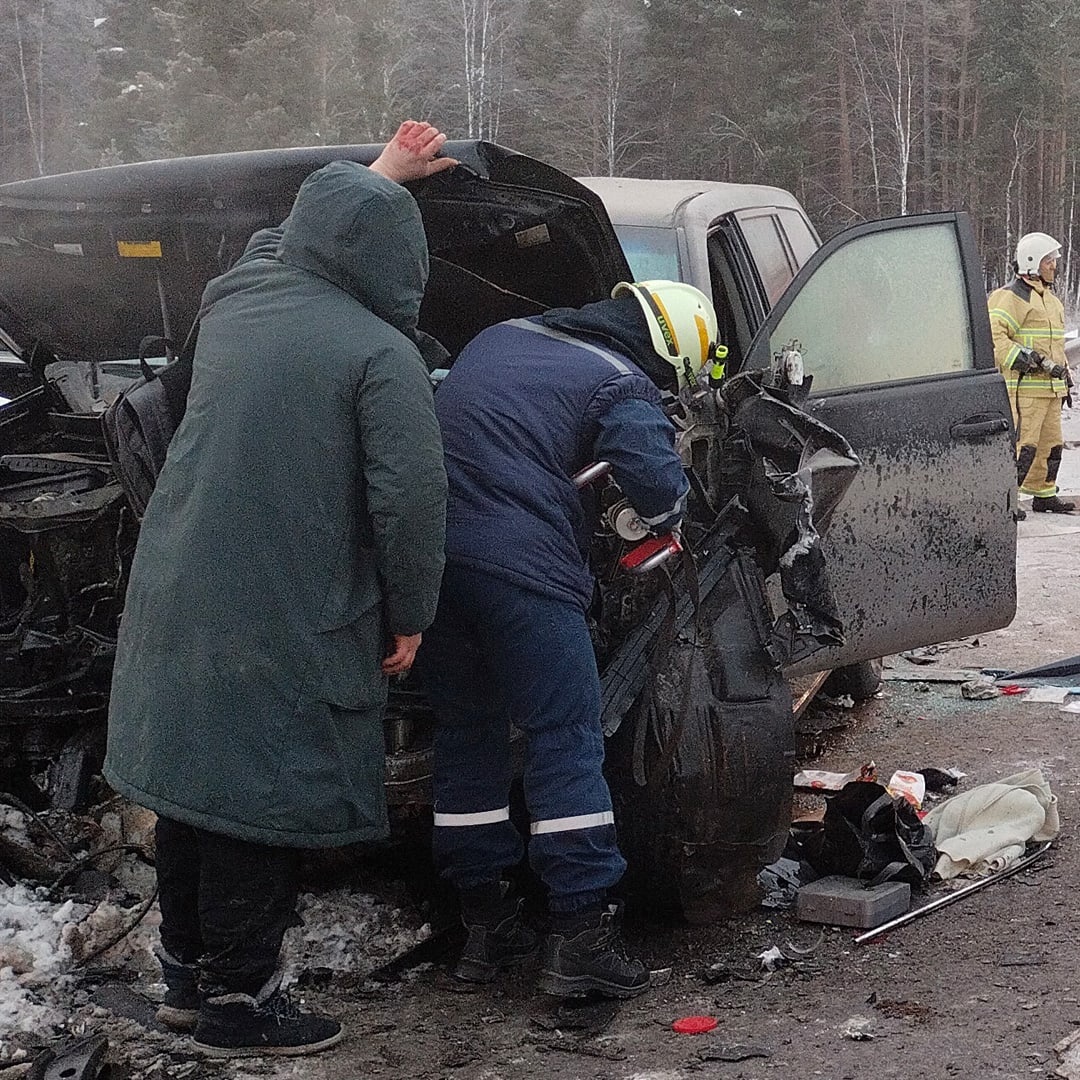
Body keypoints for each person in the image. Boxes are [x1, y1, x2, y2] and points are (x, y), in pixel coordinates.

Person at [103, 122, 455, 1057]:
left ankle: (184, 983)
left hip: (176, 587)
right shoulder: (384, 357)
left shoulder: (235, 302)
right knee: (258, 799)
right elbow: (411, 506)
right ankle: (241, 1006)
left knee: (190, 786)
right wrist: (412, 614)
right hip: (285, 608)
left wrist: (377, 178)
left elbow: (288, 242)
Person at [418, 280, 722, 998]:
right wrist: (673, 511)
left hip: (429, 569)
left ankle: (486, 926)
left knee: (467, 735)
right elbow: (656, 485)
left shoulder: (497, 338)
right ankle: (581, 937)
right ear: (670, 349)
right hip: (523, 571)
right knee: (565, 734)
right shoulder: (618, 381)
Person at [988, 232, 1076, 514]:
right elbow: (994, 337)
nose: (1053, 265)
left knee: (1051, 446)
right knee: (1023, 447)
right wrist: (1022, 358)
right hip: (1024, 390)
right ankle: (1006, 502)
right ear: (1031, 262)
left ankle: (1044, 494)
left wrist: (1066, 378)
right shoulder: (1010, 297)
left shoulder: (1051, 300)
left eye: (1053, 260)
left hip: (1050, 392)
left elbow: (1054, 345)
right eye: (1048, 260)